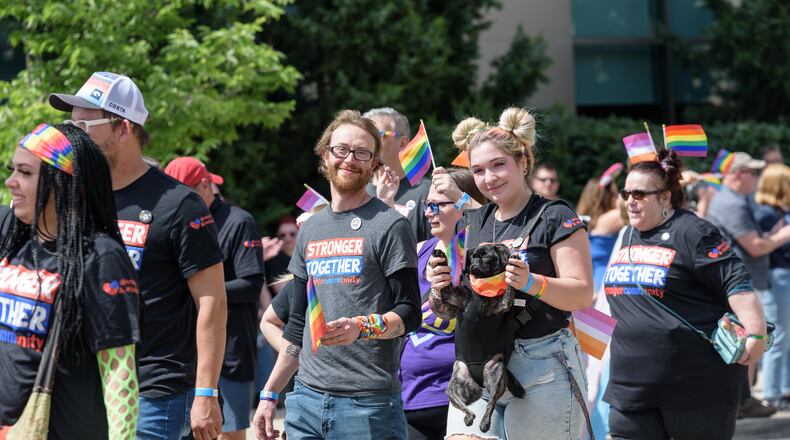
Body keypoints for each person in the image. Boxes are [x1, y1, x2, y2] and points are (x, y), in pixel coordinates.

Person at [49, 71, 228, 439]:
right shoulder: (73, 198)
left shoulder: (180, 205)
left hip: (155, 386)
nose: (73, 134)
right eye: (71, 123)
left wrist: (206, 392)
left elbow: (212, 301)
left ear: (124, 128)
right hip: (87, 379)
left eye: (86, 124)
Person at [253, 110, 422, 440]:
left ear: (374, 163)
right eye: (342, 149)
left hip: (368, 405)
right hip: (305, 402)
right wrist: (270, 393)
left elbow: (410, 313)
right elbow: (298, 323)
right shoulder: (310, 230)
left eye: (362, 153)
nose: (350, 160)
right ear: (325, 154)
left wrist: (361, 327)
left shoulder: (390, 225)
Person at [429, 108, 594, 440]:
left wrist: (532, 282)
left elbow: (582, 294)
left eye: (498, 165)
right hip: (477, 365)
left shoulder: (554, 215)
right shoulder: (471, 223)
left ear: (523, 163)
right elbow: (450, 310)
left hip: (542, 364)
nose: (489, 178)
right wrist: (440, 289)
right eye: (478, 170)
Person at [603, 147, 769, 440]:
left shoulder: (693, 232)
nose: (630, 201)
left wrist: (755, 333)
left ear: (665, 197)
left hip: (694, 388)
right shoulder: (626, 235)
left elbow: (736, 282)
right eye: (625, 194)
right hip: (630, 387)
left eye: (639, 194)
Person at [0, 124, 140, 439]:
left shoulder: (100, 257)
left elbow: (120, 372)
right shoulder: (15, 242)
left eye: (24, 172)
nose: (11, 182)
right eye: (13, 171)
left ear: (63, 183)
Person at [165, 157, 266, 440]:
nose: (179, 202)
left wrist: (201, 291)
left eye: (186, 193)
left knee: (228, 433)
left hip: (231, 349)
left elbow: (252, 283)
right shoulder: (181, 221)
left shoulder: (239, 221)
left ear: (206, 186)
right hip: (187, 351)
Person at [401, 168, 486, 440]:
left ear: (464, 202)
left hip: (465, 397)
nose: (429, 212)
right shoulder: (418, 250)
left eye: (439, 204)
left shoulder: (485, 258)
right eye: (428, 204)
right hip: (411, 397)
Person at [707, 151, 790, 418]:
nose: (757, 178)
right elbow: (755, 247)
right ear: (738, 175)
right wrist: (782, 236)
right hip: (742, 284)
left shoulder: (733, 201)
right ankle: (744, 399)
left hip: (742, 282)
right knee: (754, 338)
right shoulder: (732, 203)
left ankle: (744, 397)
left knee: (750, 339)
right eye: (752, 173)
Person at [364, 107, 433, 242]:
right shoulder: (356, 192)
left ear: (403, 142)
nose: (369, 142)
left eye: (378, 135)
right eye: (366, 135)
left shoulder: (428, 192)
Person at [754, 164, 790, 410]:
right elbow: (761, 247)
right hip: (776, 276)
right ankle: (772, 393)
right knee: (778, 335)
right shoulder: (765, 213)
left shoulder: (777, 211)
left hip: (781, 276)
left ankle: (782, 389)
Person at [576, 176, 626, 292]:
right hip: (603, 283)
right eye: (615, 194)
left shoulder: (581, 219)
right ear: (605, 197)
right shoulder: (609, 219)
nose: (617, 197)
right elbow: (631, 210)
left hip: (590, 283)